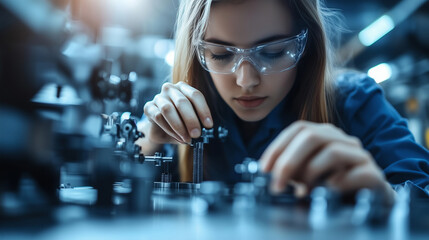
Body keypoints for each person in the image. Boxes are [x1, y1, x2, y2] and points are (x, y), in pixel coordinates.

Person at [138, 0, 429, 201]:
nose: (246, 81)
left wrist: (387, 197)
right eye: (221, 55)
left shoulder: (355, 101)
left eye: (274, 52)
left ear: (307, 45)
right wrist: (149, 144)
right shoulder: (181, 109)